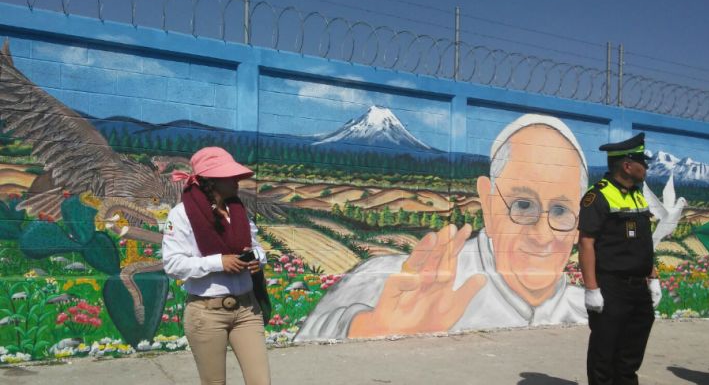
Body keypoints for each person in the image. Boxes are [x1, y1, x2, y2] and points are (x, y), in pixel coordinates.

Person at [295, 114, 589, 341]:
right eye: (523, 206)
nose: (542, 235)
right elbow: (304, 346)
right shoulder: (403, 283)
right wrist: (370, 327)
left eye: (562, 211)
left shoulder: (583, 310)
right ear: (487, 203)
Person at [162, 147, 271, 385]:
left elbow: (257, 247)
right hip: (206, 313)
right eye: (229, 177)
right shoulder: (181, 215)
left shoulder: (239, 212)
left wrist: (256, 259)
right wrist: (218, 262)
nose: (237, 182)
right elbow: (172, 264)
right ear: (210, 181)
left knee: (261, 381)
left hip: (246, 310)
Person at [578, 132, 662, 385]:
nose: (646, 167)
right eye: (642, 162)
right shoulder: (598, 197)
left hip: (638, 288)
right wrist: (592, 289)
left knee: (631, 354)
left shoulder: (637, 195)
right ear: (627, 165)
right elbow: (586, 243)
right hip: (611, 286)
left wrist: (653, 276)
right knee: (605, 354)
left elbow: (644, 242)